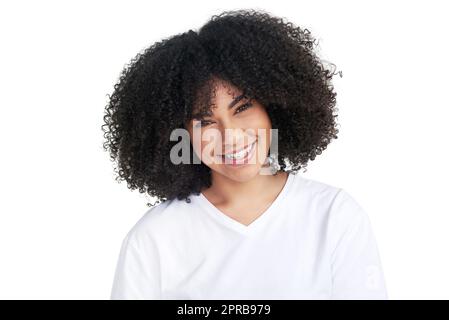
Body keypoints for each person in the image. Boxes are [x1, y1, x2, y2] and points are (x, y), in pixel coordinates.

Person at [103, 9, 388, 299]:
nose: (231, 136)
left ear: (273, 105)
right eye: (206, 121)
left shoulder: (334, 217)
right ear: (180, 133)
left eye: (242, 108)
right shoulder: (154, 240)